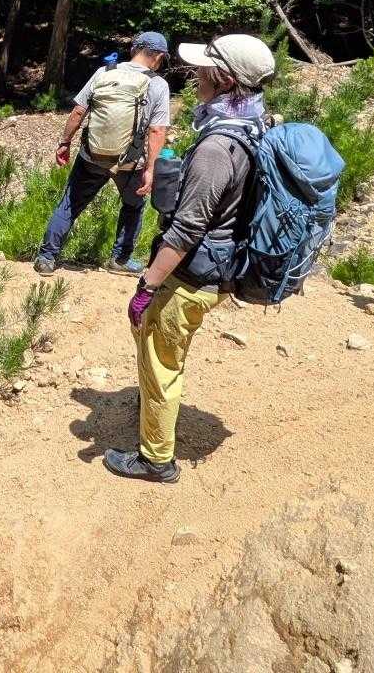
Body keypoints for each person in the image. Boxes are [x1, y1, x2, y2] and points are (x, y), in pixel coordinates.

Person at [105, 34, 276, 483]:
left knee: (162, 361)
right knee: (163, 352)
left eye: (203, 69)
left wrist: (147, 285)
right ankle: (152, 411)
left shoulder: (217, 148)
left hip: (192, 276)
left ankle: (155, 459)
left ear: (224, 80)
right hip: (221, 265)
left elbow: (186, 230)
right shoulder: (254, 125)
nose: (195, 75)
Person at [35, 32, 173, 276]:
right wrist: (151, 169)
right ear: (159, 57)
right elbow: (157, 130)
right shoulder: (158, 84)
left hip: (92, 156)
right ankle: (120, 259)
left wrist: (65, 142)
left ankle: (46, 258)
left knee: (70, 204)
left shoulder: (104, 72)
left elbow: (79, 112)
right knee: (133, 206)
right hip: (130, 162)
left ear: (134, 49)